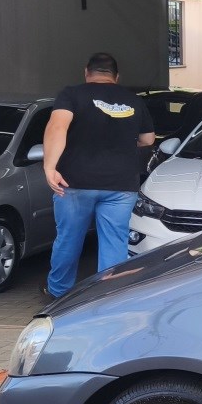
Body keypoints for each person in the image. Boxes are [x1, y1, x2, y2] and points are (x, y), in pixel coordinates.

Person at [43, 52, 155, 299]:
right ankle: (107, 297)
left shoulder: (71, 94)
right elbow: (148, 139)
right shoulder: (133, 100)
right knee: (114, 242)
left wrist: (50, 166)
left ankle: (59, 294)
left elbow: (57, 126)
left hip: (74, 183)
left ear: (87, 72)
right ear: (116, 76)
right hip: (121, 184)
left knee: (69, 240)